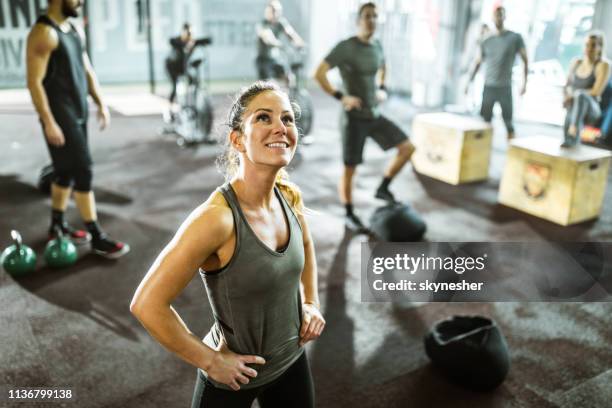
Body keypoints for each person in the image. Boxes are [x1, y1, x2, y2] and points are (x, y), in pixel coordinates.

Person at [130, 82, 324, 408]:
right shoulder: (217, 220)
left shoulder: (289, 196)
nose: (281, 127)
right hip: (233, 378)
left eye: (288, 119)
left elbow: (305, 244)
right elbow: (146, 304)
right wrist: (210, 361)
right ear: (238, 140)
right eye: (264, 118)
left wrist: (311, 302)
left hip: (291, 362)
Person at [26, 0, 129, 258]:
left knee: (65, 172)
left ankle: (57, 224)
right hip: (60, 115)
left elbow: (86, 69)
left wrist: (100, 102)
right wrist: (48, 121)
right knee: (83, 170)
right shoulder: (43, 33)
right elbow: (34, 82)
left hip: (78, 110)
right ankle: (96, 235)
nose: (80, 1)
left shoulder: (73, 29)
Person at [314, 2, 414, 233]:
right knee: (351, 168)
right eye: (367, 16)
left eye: (375, 16)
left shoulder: (377, 46)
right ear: (358, 20)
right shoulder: (346, 47)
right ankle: (349, 213)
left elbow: (383, 67)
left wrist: (382, 88)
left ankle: (383, 188)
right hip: (353, 119)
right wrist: (342, 96)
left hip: (374, 115)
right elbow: (319, 73)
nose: (372, 20)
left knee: (408, 147)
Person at [466, 5, 528, 141]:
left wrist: (524, 84)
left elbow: (525, 60)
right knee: (484, 123)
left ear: (505, 17)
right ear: (492, 18)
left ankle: (512, 151)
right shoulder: (486, 40)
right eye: (496, 15)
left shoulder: (515, 38)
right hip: (489, 86)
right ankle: (482, 151)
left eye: (501, 15)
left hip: (505, 87)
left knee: (508, 123)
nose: (499, 18)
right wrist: (468, 82)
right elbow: (478, 62)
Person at [561, 31, 610, 148]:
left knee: (580, 95)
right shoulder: (576, 62)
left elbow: (596, 91)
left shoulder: (603, 65)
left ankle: (574, 131)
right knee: (567, 143)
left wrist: (574, 95)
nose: (589, 48)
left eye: (593, 45)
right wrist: (566, 96)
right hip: (573, 108)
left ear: (600, 47)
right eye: (587, 45)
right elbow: (567, 86)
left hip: (592, 111)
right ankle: (572, 137)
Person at [256, 0, 305, 81]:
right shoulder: (262, 24)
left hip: (274, 59)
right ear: (268, 12)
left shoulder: (280, 23)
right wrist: (279, 44)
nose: (275, 14)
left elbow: (290, 33)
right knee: (265, 84)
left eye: (277, 11)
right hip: (263, 60)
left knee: (288, 77)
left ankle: (289, 92)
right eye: (273, 11)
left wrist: (298, 42)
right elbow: (267, 37)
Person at [165, 23, 212, 107]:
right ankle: (169, 107)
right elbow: (171, 41)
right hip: (172, 67)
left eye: (190, 32)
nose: (189, 34)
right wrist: (185, 44)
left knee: (193, 81)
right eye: (186, 32)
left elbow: (206, 41)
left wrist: (195, 42)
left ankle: (190, 103)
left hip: (182, 67)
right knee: (175, 87)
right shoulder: (177, 41)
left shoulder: (191, 42)